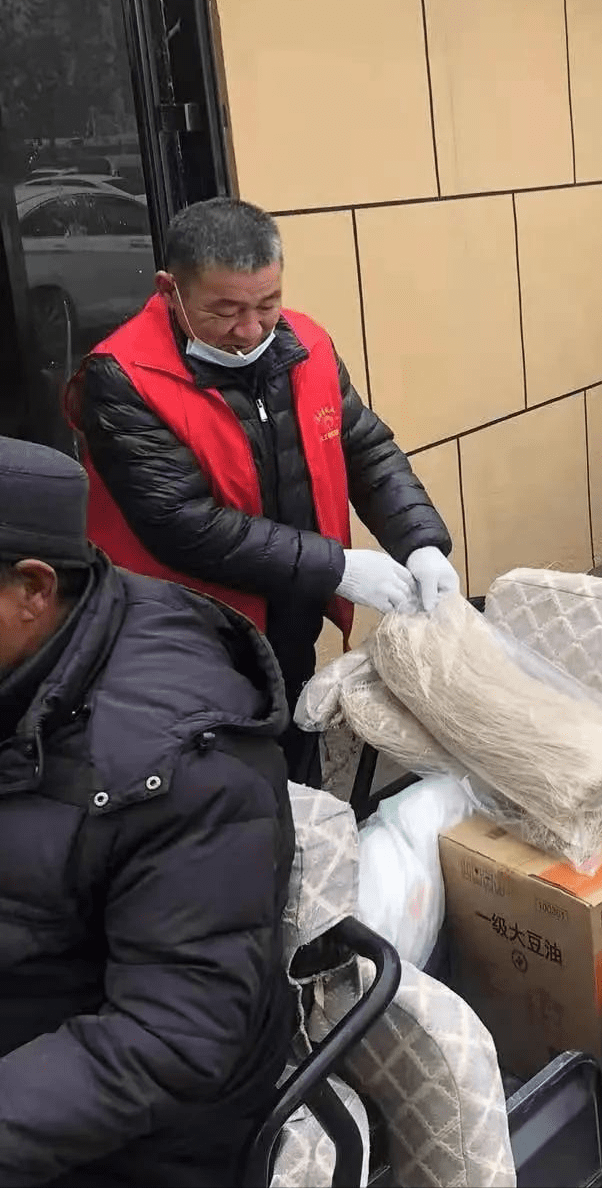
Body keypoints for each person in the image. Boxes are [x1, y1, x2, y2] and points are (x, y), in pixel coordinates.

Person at [66, 197, 460, 781]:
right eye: (224, 311)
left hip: (290, 611)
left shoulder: (307, 345)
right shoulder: (120, 378)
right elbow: (183, 524)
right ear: (171, 290)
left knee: (297, 768)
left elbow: (365, 450)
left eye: (266, 305)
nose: (249, 330)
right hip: (188, 634)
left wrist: (421, 541)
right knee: (224, 789)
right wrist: (340, 569)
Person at [0, 436, 293, 1185]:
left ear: (34, 589)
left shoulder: (179, 766)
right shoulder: (35, 649)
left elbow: (171, 1035)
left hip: (130, 1133)